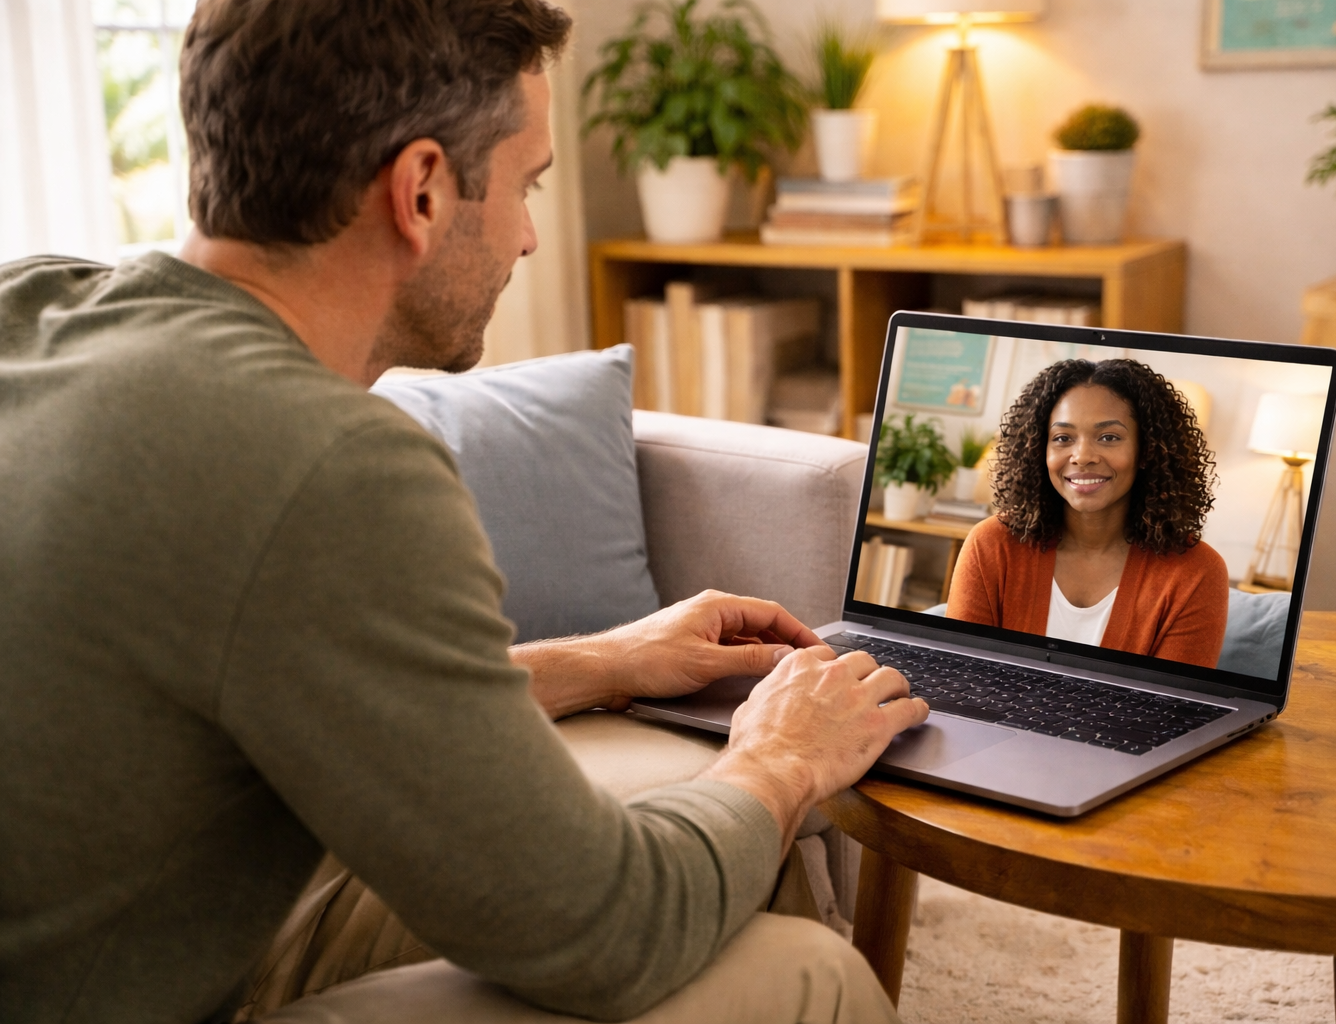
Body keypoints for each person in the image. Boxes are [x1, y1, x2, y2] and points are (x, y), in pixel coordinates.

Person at [0, 2, 929, 1022]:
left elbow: (296, 680)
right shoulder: (328, 463)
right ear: (424, 190)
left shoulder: (34, 307)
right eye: (528, 185)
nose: (532, 237)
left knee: (725, 865)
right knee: (808, 974)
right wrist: (783, 755)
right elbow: (616, 930)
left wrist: (608, 659)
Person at [947, 358, 1228, 667]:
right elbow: (961, 674)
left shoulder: (1197, 572)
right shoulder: (991, 544)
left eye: (1109, 437)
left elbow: (1173, 708)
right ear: (1039, 450)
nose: (1082, 456)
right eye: (1063, 438)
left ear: (1148, 450)